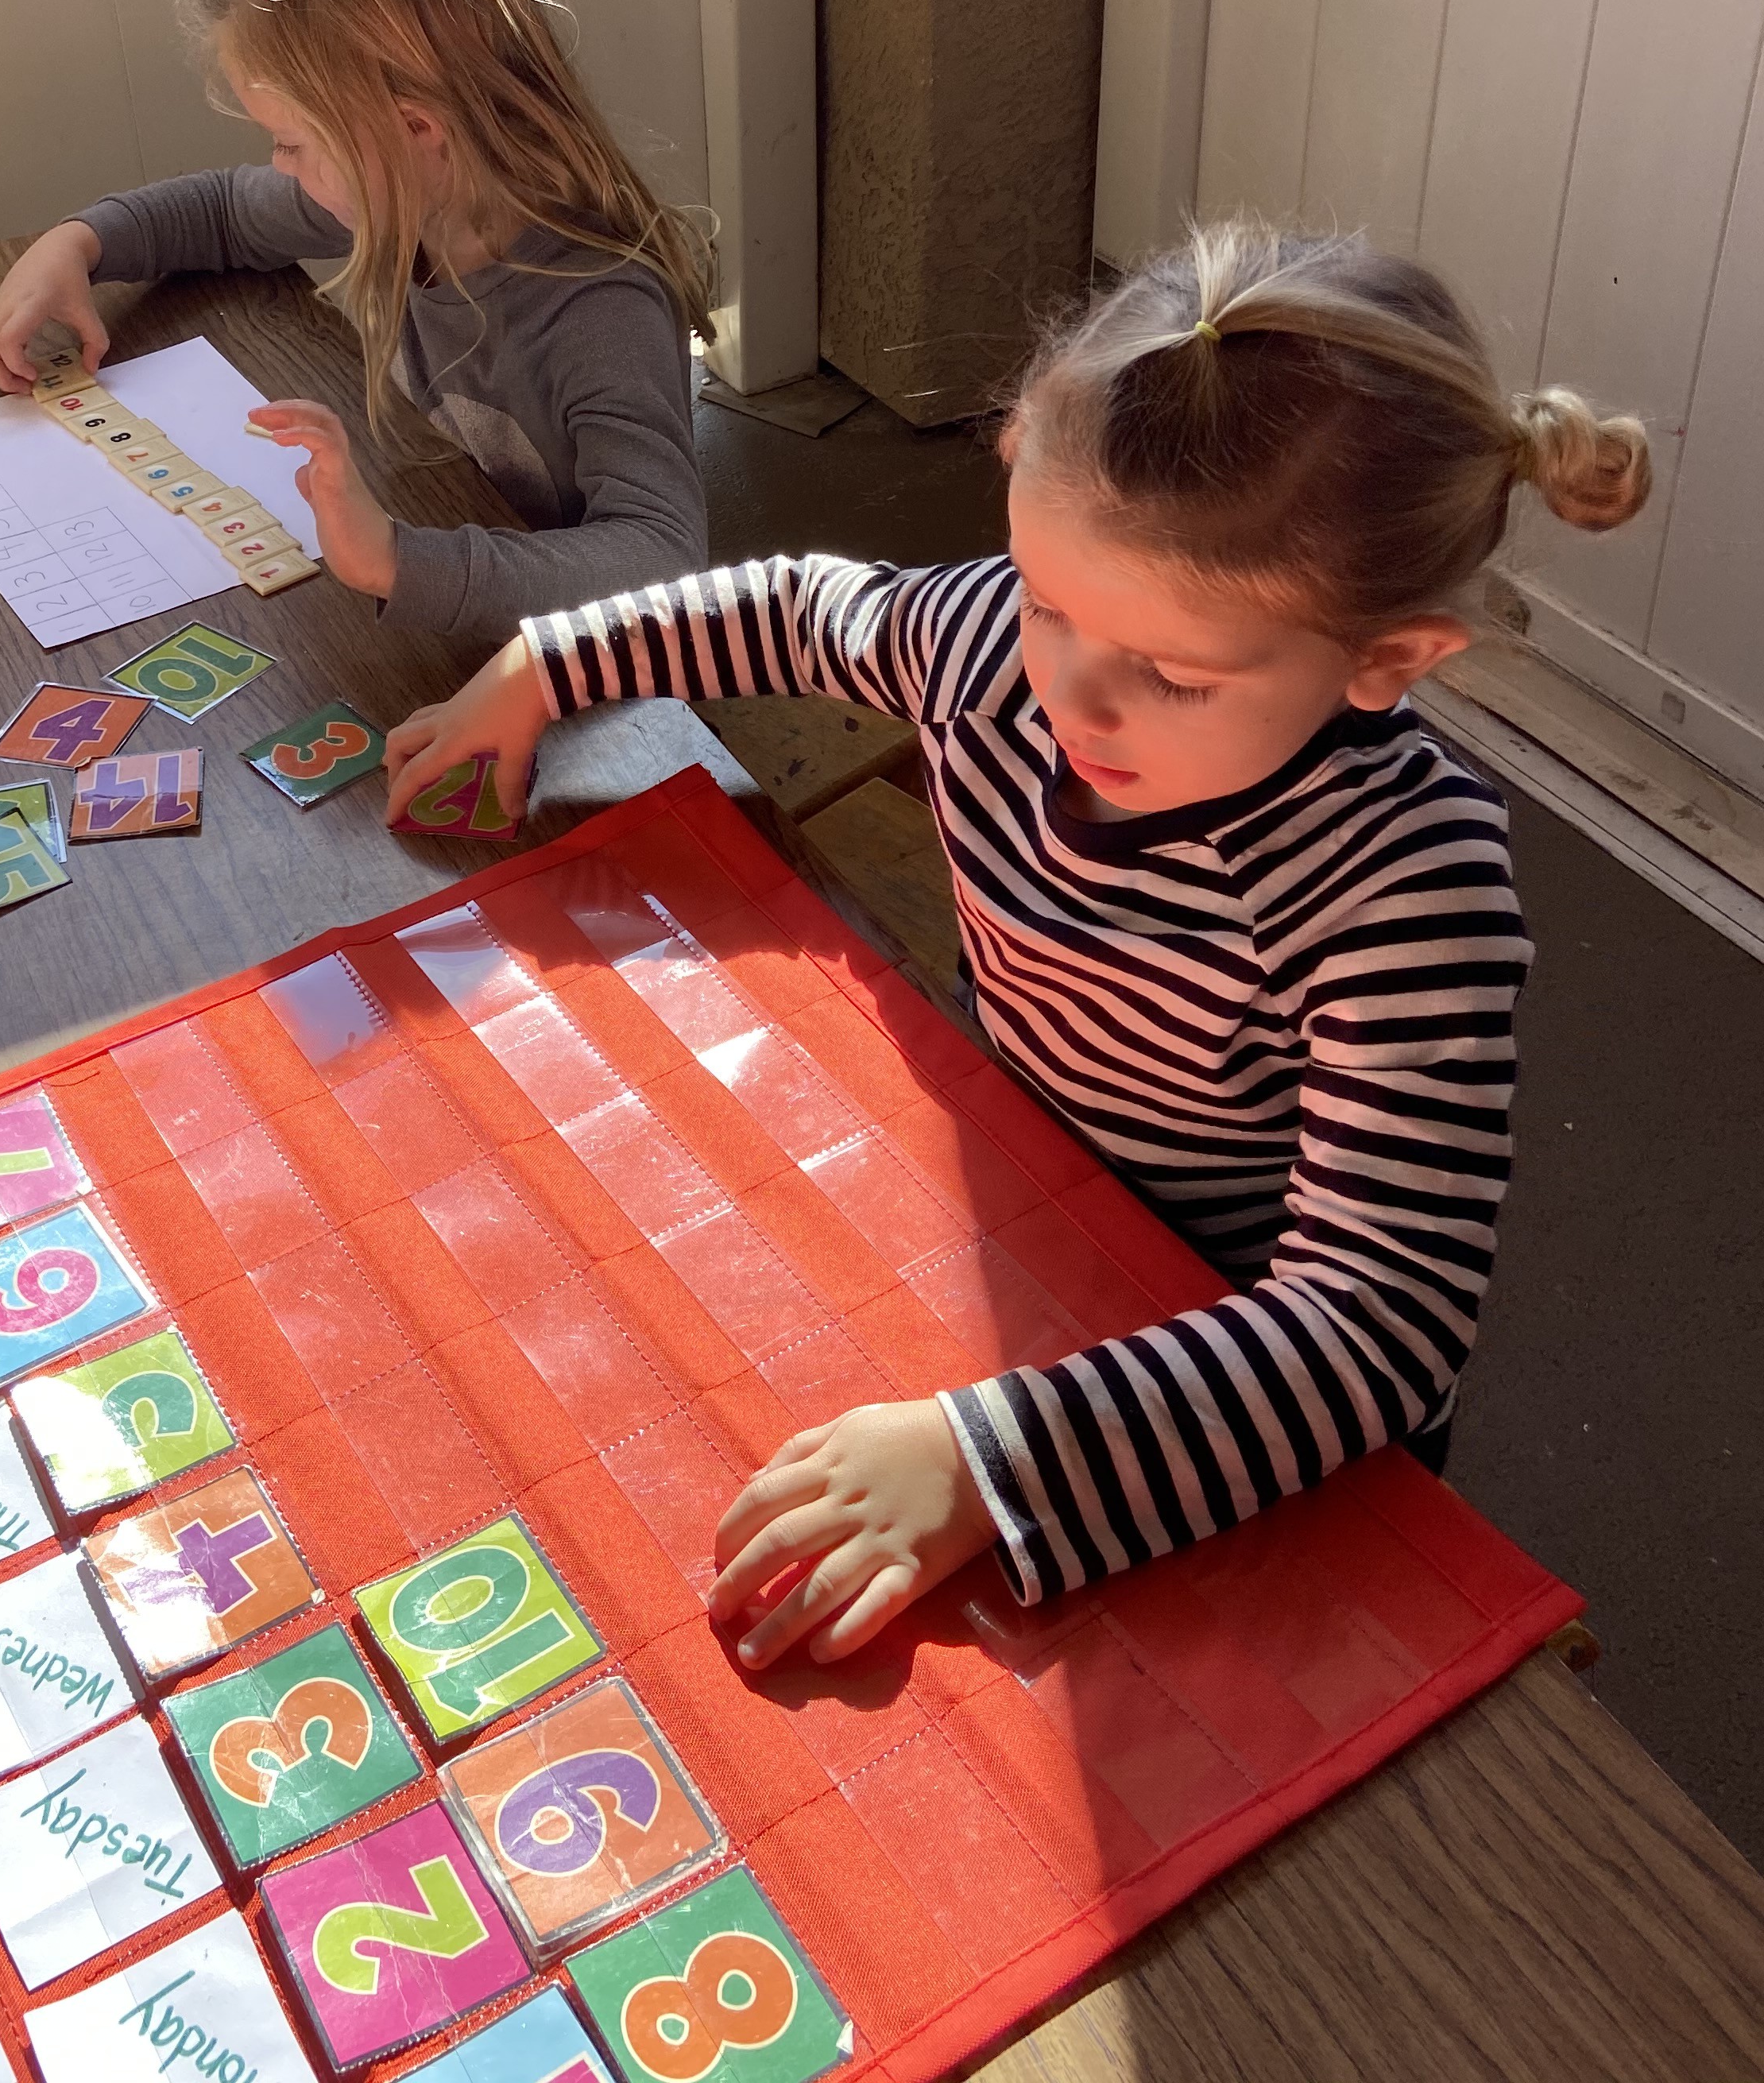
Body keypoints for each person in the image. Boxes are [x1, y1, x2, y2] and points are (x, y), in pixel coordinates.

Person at [380, 221, 1651, 1667]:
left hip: (1229, 1369)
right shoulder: (995, 648)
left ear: (1387, 660)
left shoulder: (1403, 885)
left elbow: (1379, 1324)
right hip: (1023, 1225)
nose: (1068, 698)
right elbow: (797, 606)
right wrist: (550, 661)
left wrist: (990, 1460)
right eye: (1049, 601)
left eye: (1172, 675)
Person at [0, 0, 714, 635]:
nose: (278, 169)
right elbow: (220, 213)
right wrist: (78, 245)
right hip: (460, 547)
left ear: (411, 130)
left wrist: (399, 561)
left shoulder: (599, 310)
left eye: (292, 144)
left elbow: (661, 561)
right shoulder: (402, 193)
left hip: (583, 667)